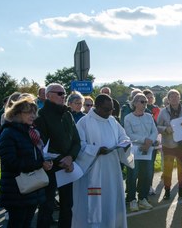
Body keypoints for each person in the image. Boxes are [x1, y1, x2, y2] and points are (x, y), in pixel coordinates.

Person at [72, 94, 130, 228]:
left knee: (111, 200)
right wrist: (96, 150)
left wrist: (125, 143)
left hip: (112, 169)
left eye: (111, 109)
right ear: (96, 107)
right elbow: (78, 145)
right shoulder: (84, 122)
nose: (110, 112)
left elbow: (124, 136)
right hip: (93, 171)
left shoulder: (112, 121)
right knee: (94, 203)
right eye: (106, 109)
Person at [0, 96, 52, 228]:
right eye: (28, 112)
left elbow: (34, 155)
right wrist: (39, 164)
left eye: (34, 112)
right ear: (16, 114)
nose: (33, 115)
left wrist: (45, 161)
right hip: (16, 189)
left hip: (32, 188)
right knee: (17, 223)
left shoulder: (31, 132)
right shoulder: (9, 133)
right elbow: (10, 162)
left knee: (27, 223)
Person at [35, 83, 81, 228]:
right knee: (47, 205)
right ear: (48, 95)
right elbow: (41, 144)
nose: (63, 97)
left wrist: (71, 158)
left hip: (67, 166)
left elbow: (76, 141)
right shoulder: (40, 116)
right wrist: (62, 159)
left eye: (64, 94)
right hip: (50, 167)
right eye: (60, 94)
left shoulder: (67, 114)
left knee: (67, 205)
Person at [157, 89, 182, 200]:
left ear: (179, 98)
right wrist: (166, 129)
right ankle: (167, 191)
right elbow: (157, 127)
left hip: (181, 144)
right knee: (168, 168)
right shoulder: (163, 112)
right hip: (168, 144)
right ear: (168, 99)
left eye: (176, 96)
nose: (174, 98)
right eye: (172, 96)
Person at [124, 93, 158, 212]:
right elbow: (129, 134)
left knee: (147, 175)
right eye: (142, 102)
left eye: (146, 102)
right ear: (135, 103)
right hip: (134, 151)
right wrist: (144, 140)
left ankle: (143, 198)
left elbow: (154, 131)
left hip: (148, 150)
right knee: (133, 175)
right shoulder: (128, 118)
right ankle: (132, 200)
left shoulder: (149, 117)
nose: (145, 104)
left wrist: (149, 142)